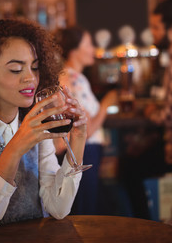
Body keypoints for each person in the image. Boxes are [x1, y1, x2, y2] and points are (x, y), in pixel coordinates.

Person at [0, 19, 88, 242]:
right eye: (16, 69)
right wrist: (15, 148)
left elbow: (58, 208)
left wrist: (78, 139)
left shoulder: (36, 118)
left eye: (34, 67)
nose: (30, 78)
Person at [119, 0, 172, 233]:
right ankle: (149, 229)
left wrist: (153, 112)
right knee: (130, 167)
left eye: (156, 27)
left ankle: (148, 230)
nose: (152, 33)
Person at [54, 26, 117, 215]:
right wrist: (106, 104)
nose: (93, 49)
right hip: (85, 150)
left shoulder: (67, 77)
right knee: (86, 211)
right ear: (74, 50)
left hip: (79, 151)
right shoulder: (74, 79)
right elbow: (86, 130)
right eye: (88, 44)